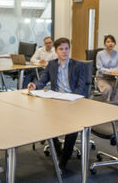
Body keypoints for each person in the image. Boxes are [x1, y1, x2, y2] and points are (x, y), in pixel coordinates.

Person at [28, 37, 86, 173]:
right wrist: (35, 85)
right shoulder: (52, 64)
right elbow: (43, 79)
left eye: (66, 49)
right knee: (48, 124)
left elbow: (81, 87)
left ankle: (64, 161)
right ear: (56, 51)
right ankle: (58, 150)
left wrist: (70, 98)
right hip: (56, 100)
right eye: (61, 49)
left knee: (72, 129)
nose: (64, 51)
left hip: (74, 102)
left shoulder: (78, 65)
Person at [95, 35, 118, 104]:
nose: (110, 43)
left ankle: (116, 106)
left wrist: (114, 70)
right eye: (108, 42)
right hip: (102, 78)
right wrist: (111, 70)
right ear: (105, 44)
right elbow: (99, 68)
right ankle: (107, 105)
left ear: (115, 43)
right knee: (108, 88)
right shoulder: (100, 54)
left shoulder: (117, 54)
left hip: (112, 78)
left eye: (112, 42)